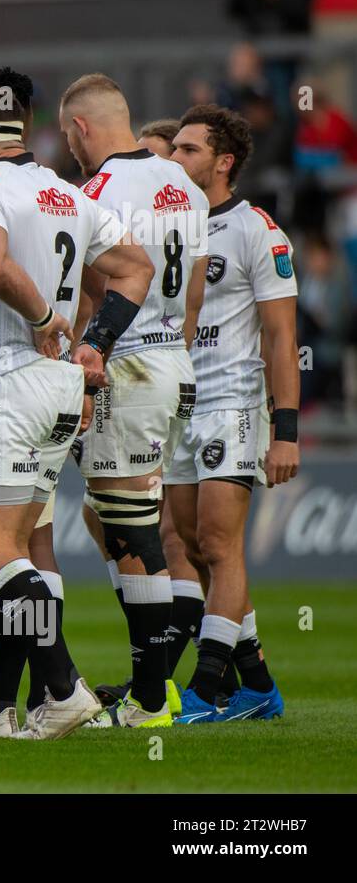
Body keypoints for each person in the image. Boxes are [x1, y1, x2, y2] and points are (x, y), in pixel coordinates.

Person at [0, 84, 152, 739]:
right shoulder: (66, 193)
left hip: (5, 379)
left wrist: (46, 317)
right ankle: (9, 705)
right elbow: (135, 268)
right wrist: (92, 344)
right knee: (17, 549)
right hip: (57, 383)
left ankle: (65, 687)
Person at [58, 73, 210, 727]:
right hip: (174, 361)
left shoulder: (95, 192)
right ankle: (153, 688)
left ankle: (151, 700)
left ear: (81, 129)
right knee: (123, 520)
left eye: (68, 135)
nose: (68, 148)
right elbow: (194, 294)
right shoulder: (185, 187)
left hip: (126, 364)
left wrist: (87, 358)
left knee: (134, 528)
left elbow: (97, 294)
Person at [167, 104, 299, 724]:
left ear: (223, 163)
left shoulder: (257, 231)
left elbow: (280, 336)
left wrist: (285, 431)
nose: (175, 158)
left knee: (220, 545)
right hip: (178, 406)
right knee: (190, 545)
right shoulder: (173, 226)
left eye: (188, 150)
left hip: (232, 405)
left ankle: (207, 688)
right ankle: (258, 686)